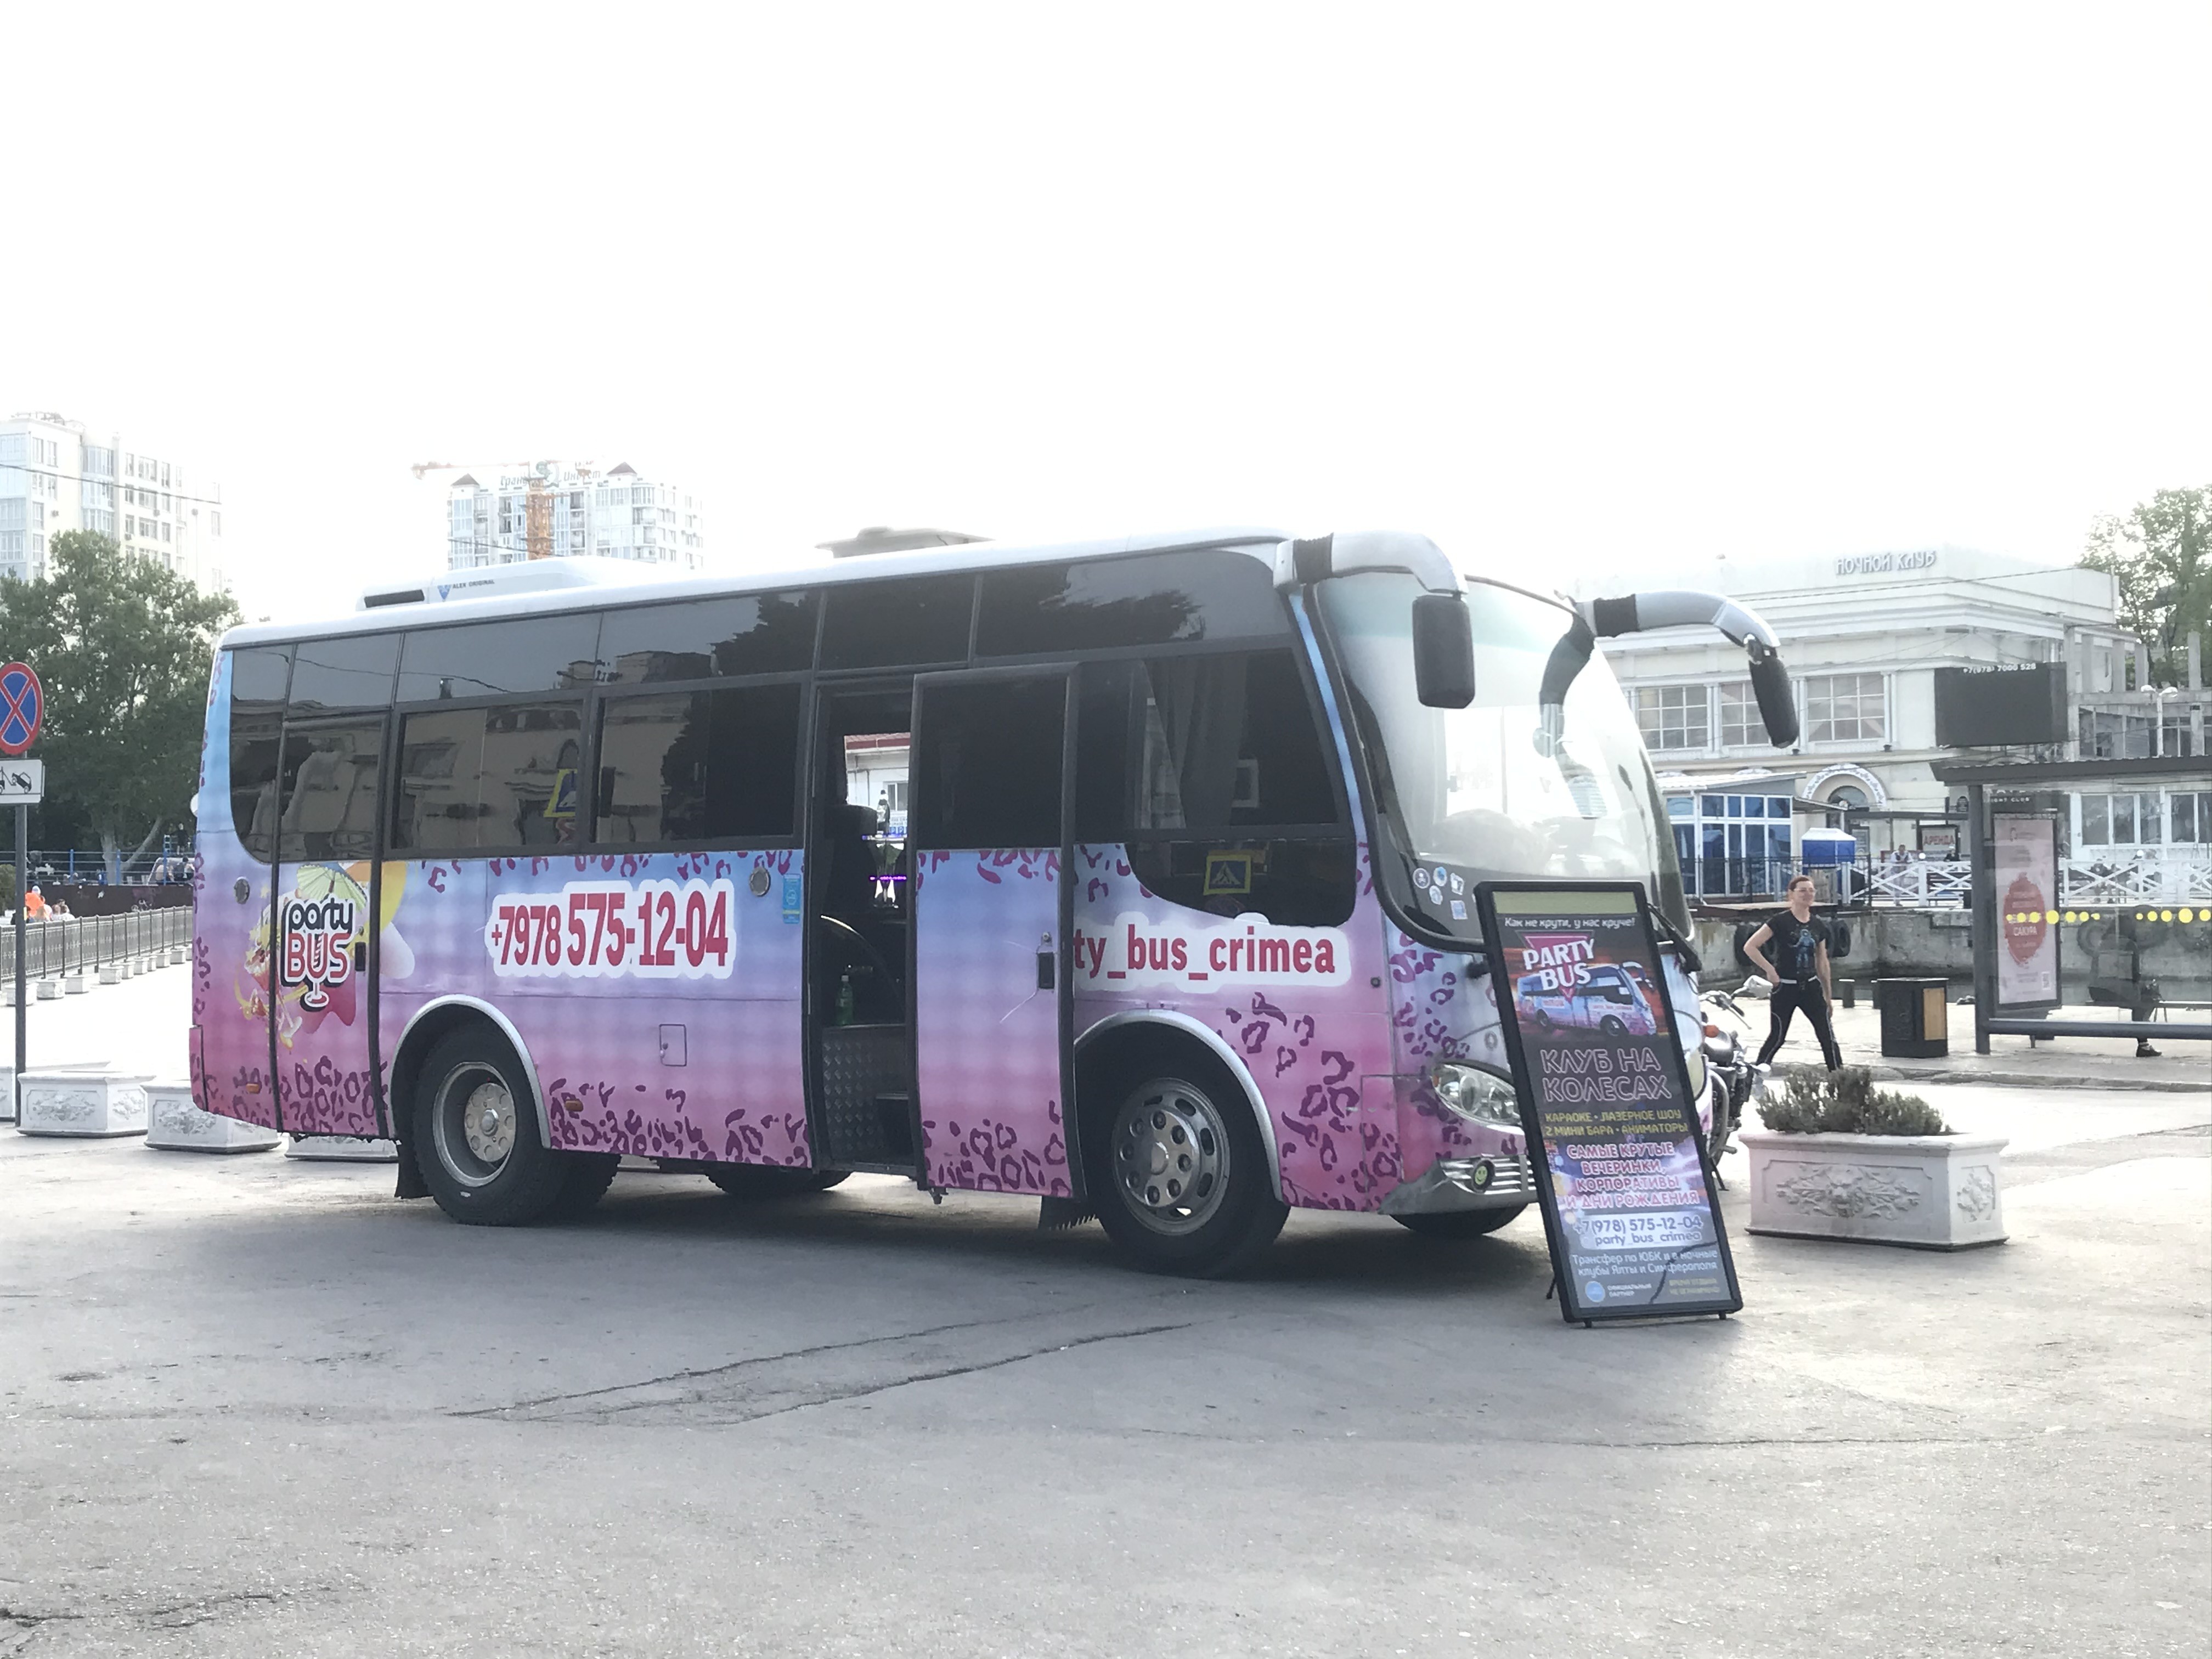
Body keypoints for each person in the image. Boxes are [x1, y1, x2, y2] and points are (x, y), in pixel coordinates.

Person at [1743, 873, 1842, 1070]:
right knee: (1778, 1036)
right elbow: (1750, 947)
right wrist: (1770, 971)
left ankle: (1840, 1079)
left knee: (1827, 1036)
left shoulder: (1818, 925)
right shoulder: (1779, 921)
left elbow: (1822, 961)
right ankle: (1755, 1076)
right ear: (1791, 895)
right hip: (1785, 987)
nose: (1808, 894)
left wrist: (1828, 995)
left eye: (1811, 891)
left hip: (1811, 987)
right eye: (1802, 890)